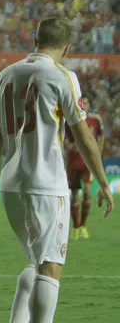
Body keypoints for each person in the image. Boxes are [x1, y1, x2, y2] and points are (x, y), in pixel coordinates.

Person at [0, 17, 113, 323]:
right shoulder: (62, 76)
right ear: (67, 47)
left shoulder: (4, 76)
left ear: (35, 39)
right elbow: (84, 137)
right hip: (46, 186)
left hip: (10, 187)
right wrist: (103, 181)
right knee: (50, 268)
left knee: (36, 265)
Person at [64, 96, 104, 240]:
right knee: (74, 195)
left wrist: (98, 152)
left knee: (87, 193)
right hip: (73, 163)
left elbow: (101, 135)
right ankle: (75, 227)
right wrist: (73, 145)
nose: (83, 105)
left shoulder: (96, 120)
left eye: (86, 103)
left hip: (88, 164)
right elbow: (66, 141)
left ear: (89, 105)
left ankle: (83, 226)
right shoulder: (70, 120)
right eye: (82, 103)